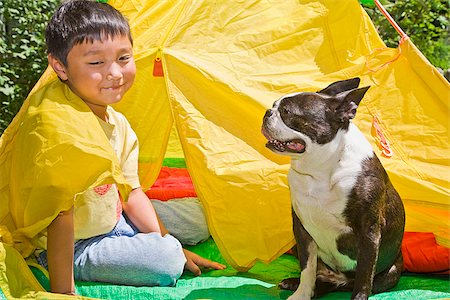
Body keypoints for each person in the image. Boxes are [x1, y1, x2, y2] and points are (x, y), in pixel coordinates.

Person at [12, 0, 225, 295]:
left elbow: (132, 193)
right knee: (164, 262)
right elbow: (60, 215)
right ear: (60, 66)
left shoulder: (118, 121)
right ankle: (63, 261)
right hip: (73, 243)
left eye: (124, 58)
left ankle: (154, 244)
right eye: (97, 63)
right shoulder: (57, 127)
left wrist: (167, 239)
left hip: (114, 219)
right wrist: (64, 292)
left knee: (202, 217)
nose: (115, 73)